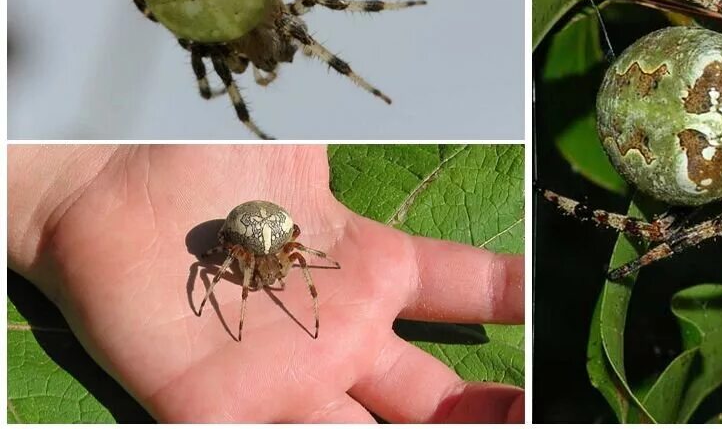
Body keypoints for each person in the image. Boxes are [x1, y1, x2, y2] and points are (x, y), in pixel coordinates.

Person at [8, 145, 525, 422]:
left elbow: (304, 252)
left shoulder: (289, 252)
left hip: (268, 226)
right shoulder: (236, 257)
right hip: (247, 227)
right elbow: (208, 269)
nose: (273, 278)